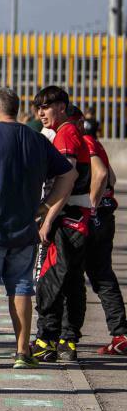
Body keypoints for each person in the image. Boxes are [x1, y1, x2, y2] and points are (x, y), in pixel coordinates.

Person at [0, 87, 75, 368]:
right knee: (21, 289)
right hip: (23, 228)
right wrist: (46, 206)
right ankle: (22, 352)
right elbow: (68, 174)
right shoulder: (35, 139)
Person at [31, 87, 95, 362]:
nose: (41, 112)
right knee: (71, 282)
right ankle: (68, 340)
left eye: (46, 106)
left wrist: (47, 219)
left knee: (49, 280)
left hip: (66, 220)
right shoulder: (68, 132)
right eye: (38, 107)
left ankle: (47, 339)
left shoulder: (66, 133)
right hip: (77, 219)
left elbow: (65, 183)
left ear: (61, 107)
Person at [77, 116, 127, 355]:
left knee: (79, 275)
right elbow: (113, 179)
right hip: (106, 214)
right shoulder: (96, 143)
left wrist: (91, 205)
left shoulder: (84, 142)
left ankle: (67, 336)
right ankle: (120, 334)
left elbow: (102, 175)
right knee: (102, 274)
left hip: (94, 216)